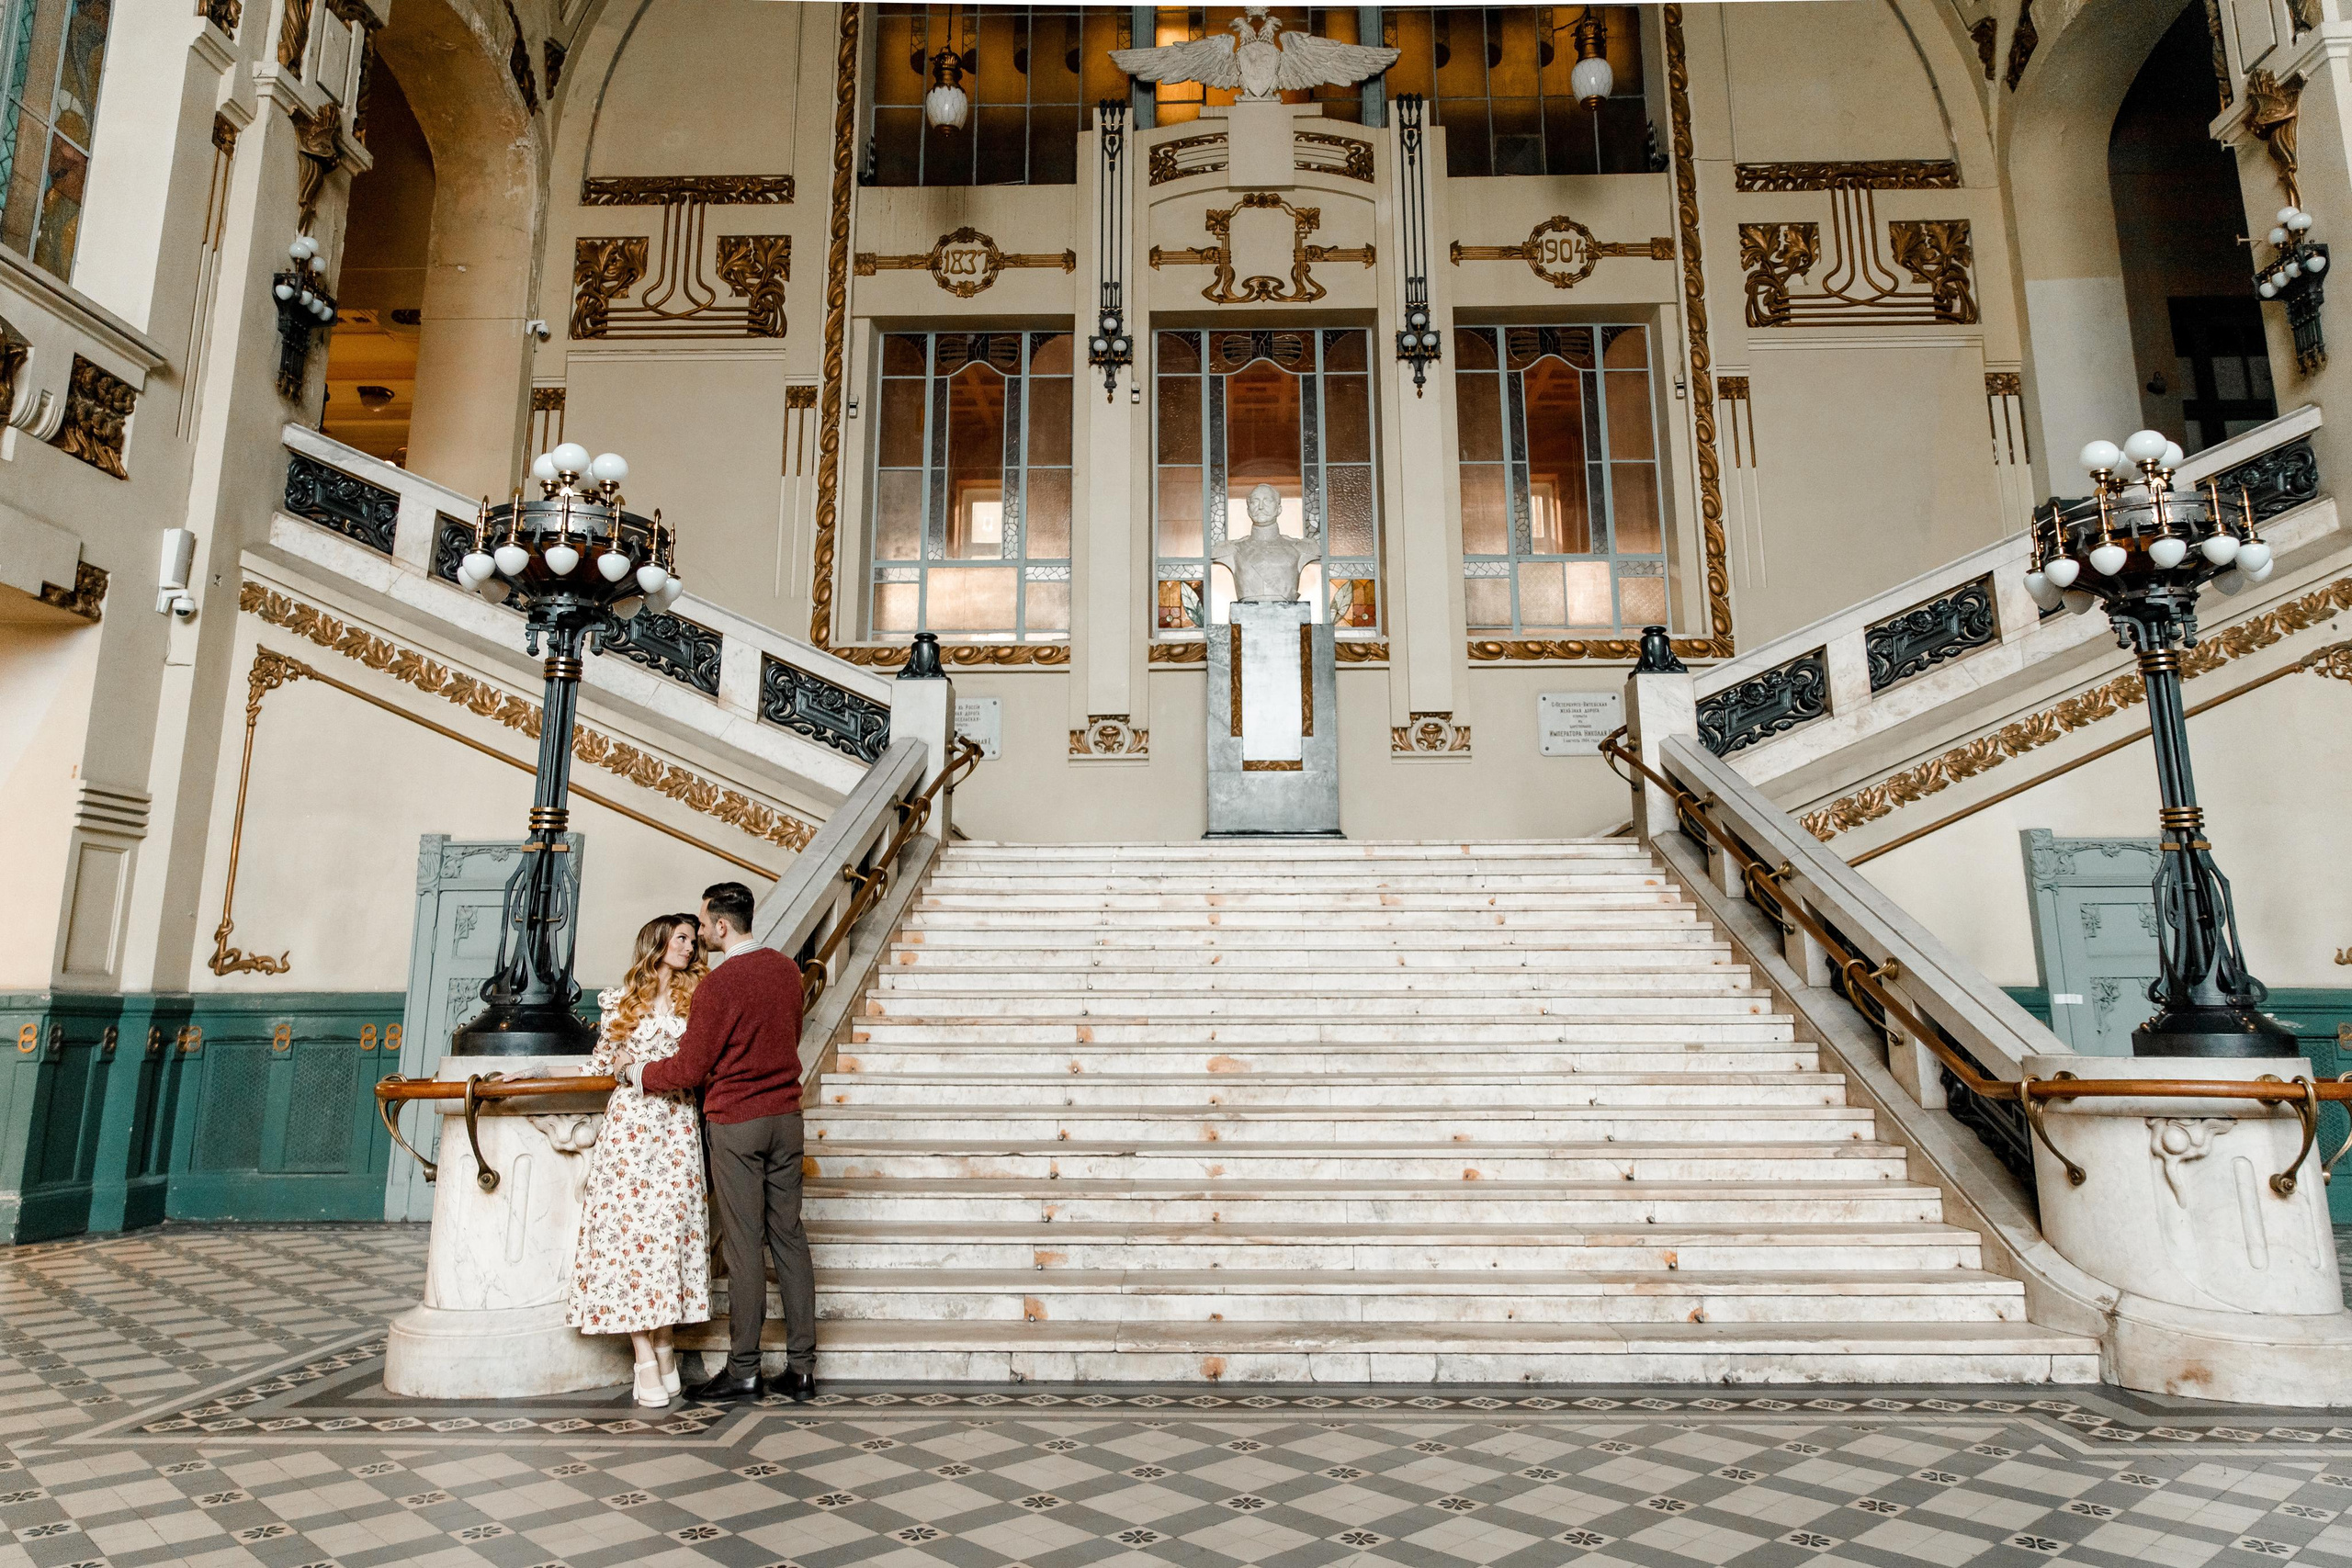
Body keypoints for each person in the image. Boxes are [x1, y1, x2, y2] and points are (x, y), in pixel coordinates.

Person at [613, 881, 815, 1404]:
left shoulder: (717, 987)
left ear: (722, 925)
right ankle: (803, 1368)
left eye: (703, 924)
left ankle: (744, 1369)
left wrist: (635, 1072)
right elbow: (786, 1036)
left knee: (746, 1246)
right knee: (789, 1237)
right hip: (787, 1117)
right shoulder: (787, 970)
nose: (700, 934)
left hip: (738, 1122)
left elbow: (690, 1067)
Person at [566, 913, 712, 1410]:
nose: (690, 948)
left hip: (675, 1130)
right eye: (681, 940)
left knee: (668, 1239)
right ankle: (645, 1357)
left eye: (694, 941)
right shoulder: (620, 1003)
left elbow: (696, 1067)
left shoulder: (699, 1000)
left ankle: (666, 1344)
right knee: (628, 1243)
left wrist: (639, 1069)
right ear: (657, 944)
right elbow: (600, 1063)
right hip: (629, 1134)